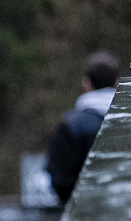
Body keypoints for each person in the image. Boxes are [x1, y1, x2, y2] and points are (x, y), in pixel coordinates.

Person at [45, 51, 119, 204]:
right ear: (116, 82)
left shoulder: (71, 125)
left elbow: (59, 178)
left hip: (82, 207)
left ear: (87, 83)